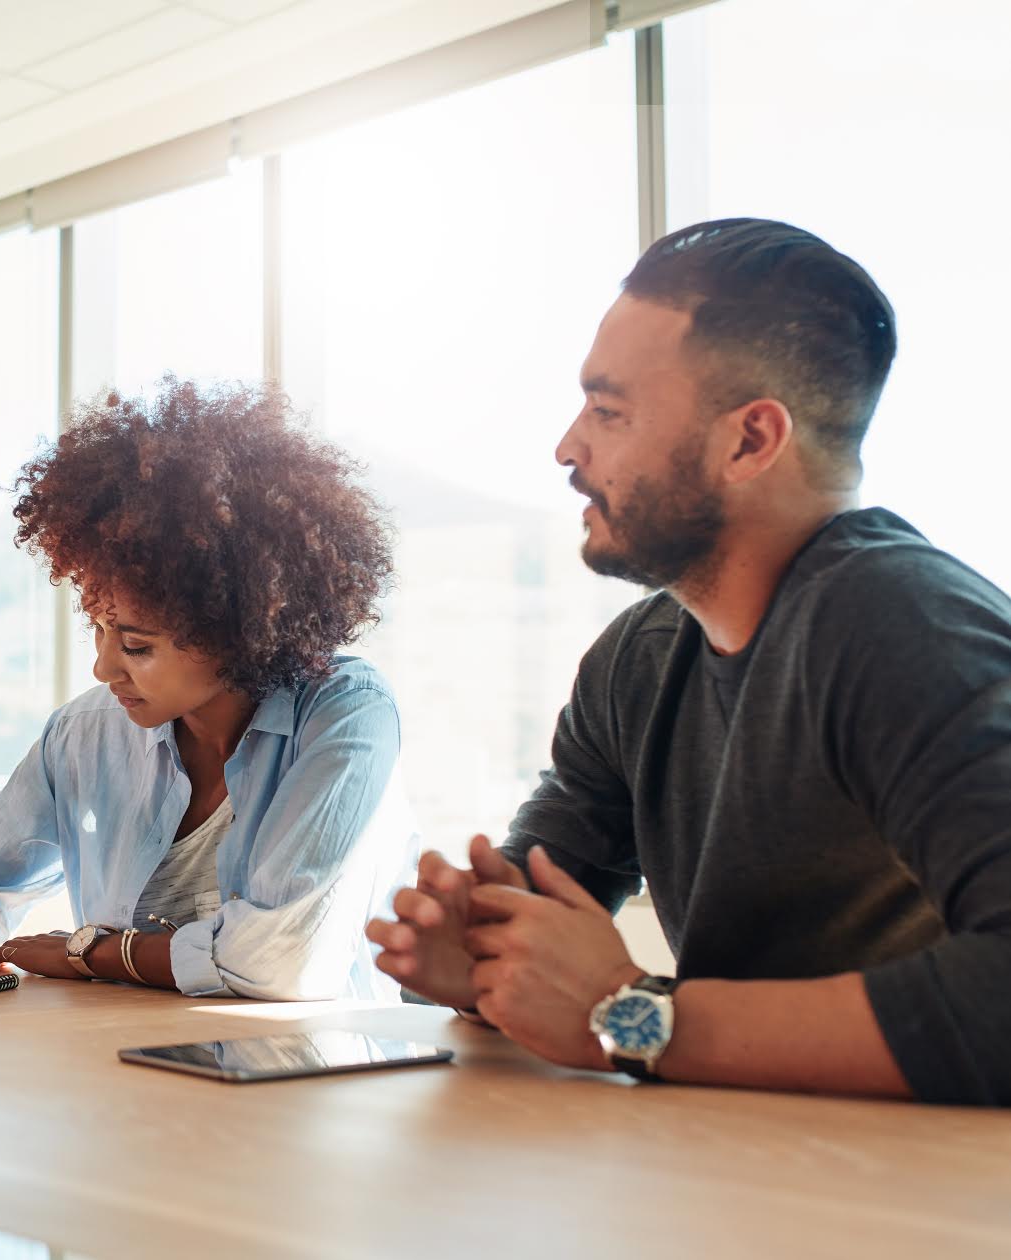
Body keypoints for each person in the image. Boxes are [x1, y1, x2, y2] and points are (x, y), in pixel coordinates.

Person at [369, 218, 1011, 1105]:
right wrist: (476, 956)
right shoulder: (637, 660)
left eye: (609, 412)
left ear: (749, 442)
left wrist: (632, 1016)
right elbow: (535, 924)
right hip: (743, 1182)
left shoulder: (903, 626)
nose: (567, 447)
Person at [0, 378, 414, 1001]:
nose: (103, 668)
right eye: (97, 628)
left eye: (136, 646)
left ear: (236, 629)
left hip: (315, 1076)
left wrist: (92, 952)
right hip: (123, 1074)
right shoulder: (84, 736)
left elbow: (282, 959)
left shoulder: (347, 716)